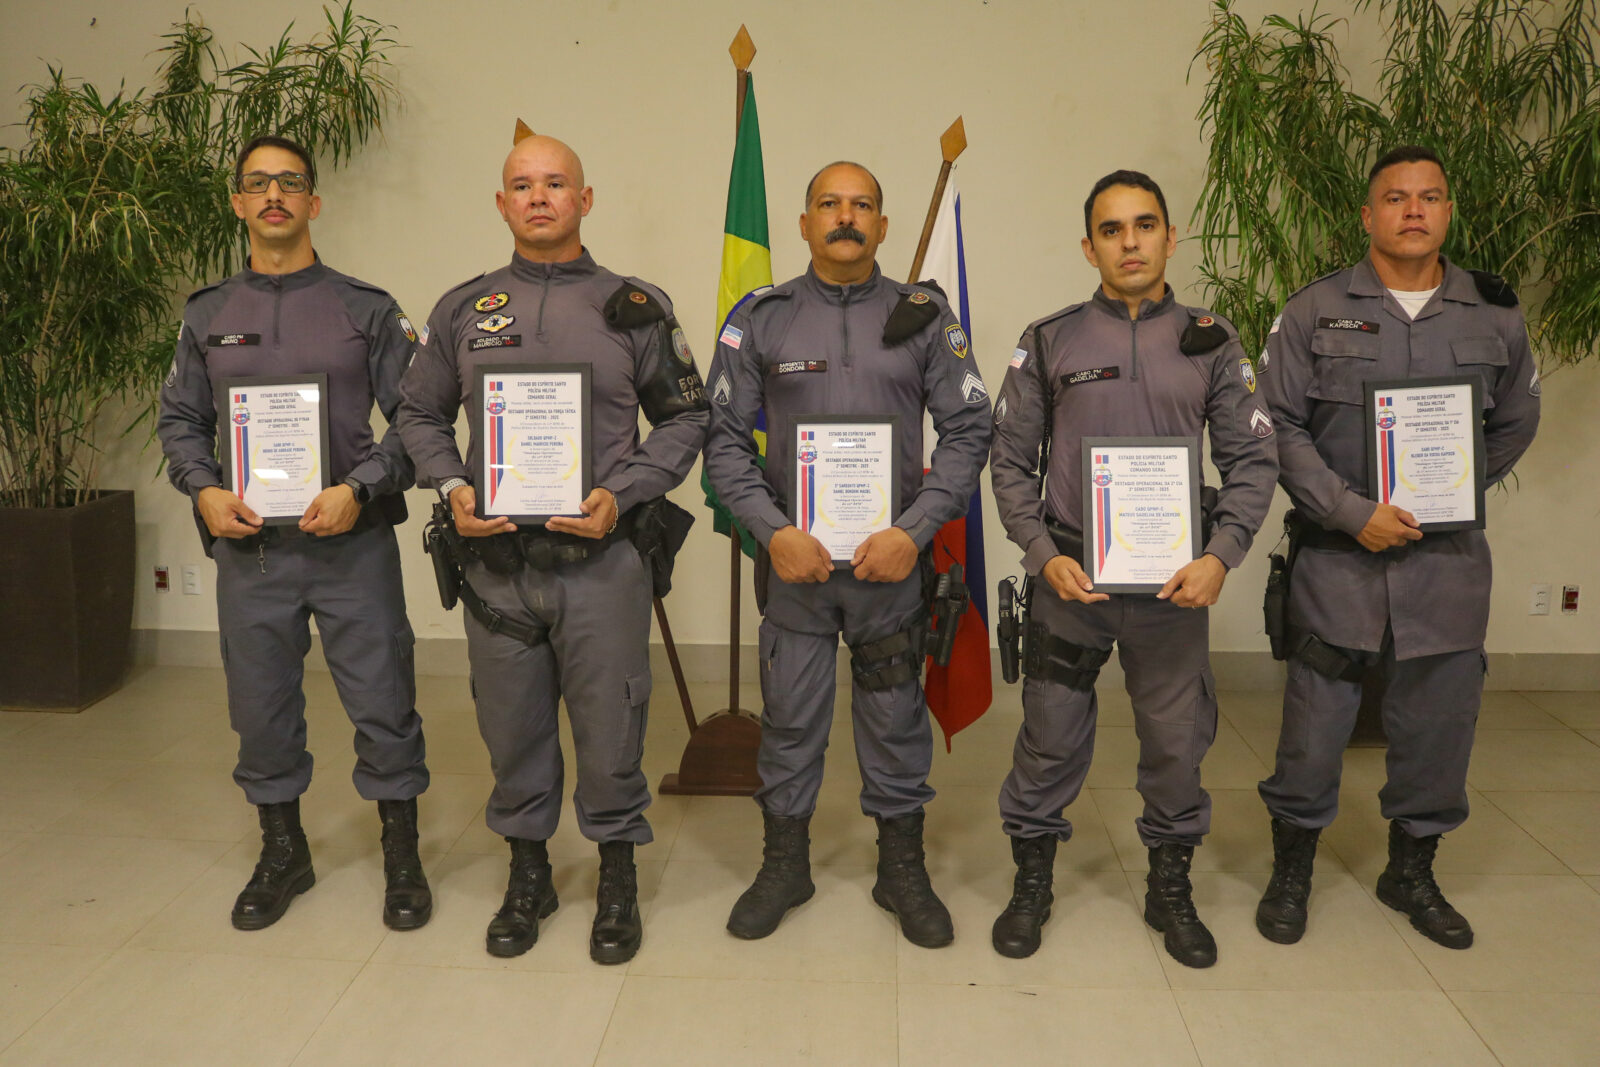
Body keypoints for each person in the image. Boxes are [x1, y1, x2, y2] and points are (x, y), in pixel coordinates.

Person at [396, 131, 708, 965]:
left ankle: (616, 878)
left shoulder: (633, 307)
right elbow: (418, 414)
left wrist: (626, 493)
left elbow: (687, 417)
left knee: (612, 735)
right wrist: (453, 487)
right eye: (522, 185)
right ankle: (528, 874)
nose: (539, 197)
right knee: (513, 732)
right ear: (502, 203)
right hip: (496, 569)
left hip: (601, 565)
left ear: (585, 199)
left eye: (556, 183)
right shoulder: (462, 310)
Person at [988, 170, 1277, 967]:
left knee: (1177, 743)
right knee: (1048, 738)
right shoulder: (1050, 340)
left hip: (1173, 590)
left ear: (1169, 236)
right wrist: (1042, 557)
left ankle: (1169, 885)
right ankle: (1032, 881)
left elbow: (1254, 458)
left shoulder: (1212, 340)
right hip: (1071, 583)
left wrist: (1222, 556)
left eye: (1144, 225)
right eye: (1111, 230)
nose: (1130, 242)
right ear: (1090, 246)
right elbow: (1009, 463)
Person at [1255, 145, 1540, 950]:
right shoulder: (1314, 310)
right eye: (1396, 198)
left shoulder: (1495, 314)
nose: (1414, 211)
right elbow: (1274, 424)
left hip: (1445, 566)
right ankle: (1293, 866)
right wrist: (1349, 511)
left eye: (1431, 197)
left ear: (1448, 211)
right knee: (1314, 725)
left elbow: (1517, 417)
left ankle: (1410, 868)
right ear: (1368, 215)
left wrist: (1451, 492)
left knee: (1439, 722)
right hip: (1338, 560)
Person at [703, 161, 992, 948]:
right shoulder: (759, 317)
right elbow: (723, 443)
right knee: (791, 720)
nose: (846, 217)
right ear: (803, 224)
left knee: (896, 720)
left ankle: (901, 870)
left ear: (883, 226)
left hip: (888, 566)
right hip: (796, 567)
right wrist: (771, 529)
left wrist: (916, 529)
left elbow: (969, 429)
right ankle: (783, 865)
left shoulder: (922, 316)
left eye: (863, 204)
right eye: (829, 204)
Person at [158, 134, 430, 933]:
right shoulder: (207, 313)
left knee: (384, 701)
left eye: (291, 183)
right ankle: (284, 852)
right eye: (257, 183)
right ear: (238, 202)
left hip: (352, 545)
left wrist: (360, 486)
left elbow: (415, 420)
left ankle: (402, 852)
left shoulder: (366, 307)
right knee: (260, 708)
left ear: (315, 201)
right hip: (254, 552)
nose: (274, 195)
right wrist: (203, 489)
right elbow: (180, 420)